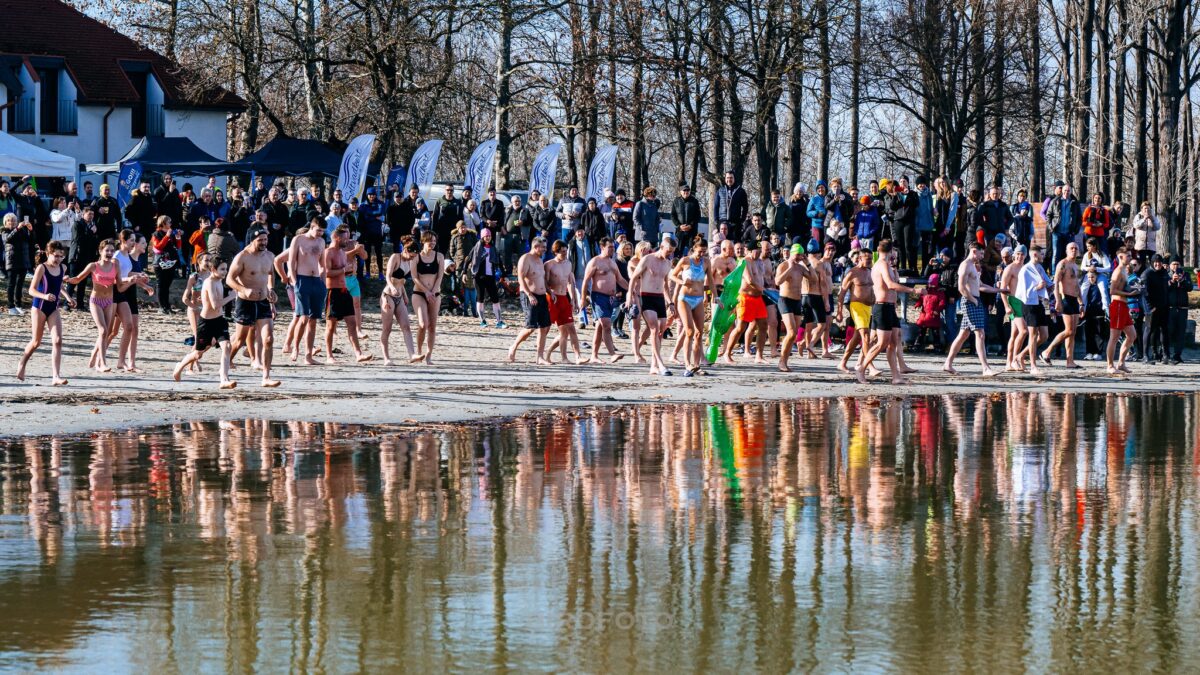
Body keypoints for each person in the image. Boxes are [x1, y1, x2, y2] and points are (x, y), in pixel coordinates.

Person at [855, 239, 921, 384]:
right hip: (882, 307)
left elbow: (893, 281)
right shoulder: (882, 265)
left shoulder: (886, 265)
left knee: (894, 341)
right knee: (882, 343)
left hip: (889, 307)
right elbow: (891, 285)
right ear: (891, 251)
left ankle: (896, 376)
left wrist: (895, 270)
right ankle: (861, 368)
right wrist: (913, 290)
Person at [226, 228, 281, 387]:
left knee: (269, 339)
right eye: (260, 240)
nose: (264, 243)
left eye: (265, 239)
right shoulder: (243, 256)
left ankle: (266, 377)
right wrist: (243, 290)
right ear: (252, 240)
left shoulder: (269, 256)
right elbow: (230, 279)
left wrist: (271, 290)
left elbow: (270, 274)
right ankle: (226, 362)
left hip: (263, 301)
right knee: (239, 340)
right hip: (245, 302)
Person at [172, 257, 238, 389]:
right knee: (197, 354)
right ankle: (180, 365)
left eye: (226, 269)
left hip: (219, 320)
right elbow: (215, 305)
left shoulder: (219, 281)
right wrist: (231, 297)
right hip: (206, 323)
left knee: (227, 347)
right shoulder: (209, 282)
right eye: (222, 269)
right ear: (213, 269)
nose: (225, 272)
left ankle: (224, 379)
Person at [16, 241, 73, 385]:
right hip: (39, 307)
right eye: (56, 256)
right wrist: (45, 296)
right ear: (48, 254)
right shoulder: (42, 268)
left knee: (58, 341)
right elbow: (31, 290)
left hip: (53, 308)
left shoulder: (63, 267)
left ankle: (56, 376)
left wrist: (68, 297)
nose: (59, 259)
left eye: (61, 256)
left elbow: (58, 284)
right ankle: (22, 363)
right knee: (36, 342)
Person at [942, 242, 998, 376]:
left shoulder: (973, 266)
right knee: (980, 334)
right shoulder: (965, 265)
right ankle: (985, 368)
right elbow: (961, 287)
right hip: (970, 301)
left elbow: (980, 285)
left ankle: (947, 364)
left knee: (963, 335)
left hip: (974, 300)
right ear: (974, 251)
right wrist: (973, 300)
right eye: (981, 253)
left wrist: (1000, 290)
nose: (982, 255)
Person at [65, 239, 119, 373]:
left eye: (112, 250)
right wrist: (66, 279)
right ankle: (102, 364)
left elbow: (120, 282)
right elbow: (77, 279)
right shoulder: (93, 266)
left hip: (109, 301)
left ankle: (94, 355)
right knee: (102, 331)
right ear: (100, 251)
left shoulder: (115, 264)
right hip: (96, 301)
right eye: (107, 250)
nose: (110, 253)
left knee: (106, 332)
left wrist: (136, 280)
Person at [322, 226, 372, 364]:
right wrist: (343, 270)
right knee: (331, 326)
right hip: (333, 291)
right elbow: (326, 273)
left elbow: (364, 256)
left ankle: (358, 353)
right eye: (344, 238)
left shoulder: (342, 253)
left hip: (345, 291)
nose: (347, 240)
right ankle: (329, 356)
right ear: (337, 238)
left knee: (352, 322)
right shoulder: (328, 252)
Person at [629, 235, 677, 375]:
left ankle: (654, 365)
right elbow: (633, 278)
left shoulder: (667, 264)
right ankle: (661, 364)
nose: (670, 254)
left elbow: (666, 285)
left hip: (660, 298)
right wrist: (629, 296)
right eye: (668, 251)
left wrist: (671, 303)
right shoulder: (647, 259)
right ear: (661, 247)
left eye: (672, 251)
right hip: (646, 297)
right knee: (654, 329)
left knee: (661, 331)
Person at [668, 238, 713, 375]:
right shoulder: (685, 261)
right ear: (694, 249)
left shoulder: (706, 262)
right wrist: (682, 282)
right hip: (685, 298)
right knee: (689, 331)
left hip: (698, 298)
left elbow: (710, 280)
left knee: (699, 333)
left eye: (704, 252)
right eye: (700, 251)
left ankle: (696, 365)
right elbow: (671, 275)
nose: (702, 254)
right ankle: (687, 364)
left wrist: (716, 297)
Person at [286, 218, 328, 364]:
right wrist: (294, 281)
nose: (320, 233)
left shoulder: (321, 242)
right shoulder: (298, 239)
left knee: (313, 320)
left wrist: (323, 282)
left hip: (316, 280)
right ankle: (296, 347)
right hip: (302, 279)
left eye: (322, 231)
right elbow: (291, 262)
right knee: (303, 318)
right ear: (312, 227)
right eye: (318, 230)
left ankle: (308, 355)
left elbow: (322, 264)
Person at [112, 230, 154, 373]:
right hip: (120, 294)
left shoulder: (134, 260)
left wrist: (144, 284)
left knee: (131, 329)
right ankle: (98, 356)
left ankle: (130, 362)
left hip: (130, 295)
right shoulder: (123, 257)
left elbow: (131, 276)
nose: (145, 245)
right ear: (133, 243)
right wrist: (138, 280)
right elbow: (122, 276)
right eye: (142, 243)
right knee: (112, 331)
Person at [581, 237, 629, 364]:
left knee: (599, 327)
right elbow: (586, 281)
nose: (612, 249)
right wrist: (583, 299)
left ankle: (594, 356)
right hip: (598, 297)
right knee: (607, 325)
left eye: (613, 247)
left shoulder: (612, 262)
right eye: (610, 247)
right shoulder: (595, 262)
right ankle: (612, 354)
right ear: (602, 247)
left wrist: (631, 289)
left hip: (611, 298)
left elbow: (620, 279)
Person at [507, 237, 553, 364]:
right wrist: (529, 294)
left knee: (545, 327)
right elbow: (520, 278)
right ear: (535, 247)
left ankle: (540, 357)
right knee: (530, 327)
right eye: (543, 247)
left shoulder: (540, 260)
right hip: (529, 295)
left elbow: (542, 279)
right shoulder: (525, 258)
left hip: (542, 295)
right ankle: (514, 346)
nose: (545, 249)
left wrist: (549, 292)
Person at [380, 236, 422, 365]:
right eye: (411, 255)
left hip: (399, 295)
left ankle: (412, 354)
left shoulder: (409, 262)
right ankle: (386, 357)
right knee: (387, 328)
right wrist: (392, 288)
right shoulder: (395, 257)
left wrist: (404, 294)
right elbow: (388, 276)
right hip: (388, 295)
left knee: (406, 326)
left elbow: (401, 280)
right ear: (405, 250)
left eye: (414, 256)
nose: (412, 258)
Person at [777, 243, 818, 372]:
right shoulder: (783, 265)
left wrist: (808, 264)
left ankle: (785, 361)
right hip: (785, 300)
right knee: (791, 332)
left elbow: (814, 279)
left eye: (801, 255)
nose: (799, 257)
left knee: (793, 334)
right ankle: (782, 361)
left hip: (797, 302)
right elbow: (777, 282)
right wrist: (789, 268)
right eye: (797, 254)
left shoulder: (801, 268)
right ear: (791, 253)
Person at [543, 240, 584, 363]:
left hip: (563, 298)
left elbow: (571, 283)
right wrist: (550, 292)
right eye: (562, 252)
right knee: (547, 329)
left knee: (569, 329)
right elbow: (544, 282)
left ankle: (576, 357)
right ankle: (544, 353)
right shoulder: (549, 264)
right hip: (552, 298)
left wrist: (574, 300)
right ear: (556, 252)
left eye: (566, 252)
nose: (564, 254)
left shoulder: (568, 264)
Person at [1012, 245, 1051, 375]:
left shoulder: (1039, 267)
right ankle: (1033, 366)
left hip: (1040, 303)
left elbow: (1048, 283)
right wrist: (1037, 287)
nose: (1043, 256)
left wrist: (1051, 288)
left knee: (1044, 335)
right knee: (1032, 334)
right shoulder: (1025, 270)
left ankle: (1021, 355)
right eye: (1042, 254)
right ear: (1035, 255)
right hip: (1029, 304)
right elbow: (1023, 293)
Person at [410, 231, 444, 363]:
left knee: (432, 326)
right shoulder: (416, 257)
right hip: (419, 293)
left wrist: (434, 291)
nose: (433, 244)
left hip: (435, 293)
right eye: (430, 241)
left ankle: (429, 354)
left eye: (434, 241)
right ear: (423, 241)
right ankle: (419, 352)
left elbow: (440, 275)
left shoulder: (439, 256)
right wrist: (426, 291)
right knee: (423, 324)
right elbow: (414, 277)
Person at [1106, 247, 1138, 374]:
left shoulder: (1125, 270)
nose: (1130, 258)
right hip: (1117, 305)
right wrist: (1129, 294)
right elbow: (1112, 291)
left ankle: (1121, 363)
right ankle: (1109, 365)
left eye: (1130, 256)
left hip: (1124, 306)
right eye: (1128, 256)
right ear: (1120, 257)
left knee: (1132, 335)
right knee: (1114, 337)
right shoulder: (1118, 271)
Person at [469, 227, 505, 327]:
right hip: (479, 277)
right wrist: (463, 272)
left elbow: (499, 261)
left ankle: (499, 321)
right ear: (482, 237)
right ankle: (482, 321)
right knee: (480, 299)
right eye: (486, 236)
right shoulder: (477, 247)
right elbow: (469, 258)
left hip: (491, 276)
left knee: (495, 298)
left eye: (489, 236)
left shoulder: (493, 248)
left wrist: (503, 273)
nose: (488, 237)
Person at [150, 216, 182, 314]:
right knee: (161, 285)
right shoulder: (156, 234)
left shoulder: (170, 233)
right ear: (163, 223)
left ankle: (167, 306)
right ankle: (161, 306)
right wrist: (167, 236)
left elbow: (178, 246)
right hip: (160, 263)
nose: (170, 224)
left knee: (167, 286)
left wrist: (178, 238)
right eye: (169, 222)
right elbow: (158, 246)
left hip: (171, 262)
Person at [1045, 184, 1082, 269]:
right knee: (1056, 254)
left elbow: (1079, 218)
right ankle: (1054, 274)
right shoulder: (1055, 201)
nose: (1066, 192)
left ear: (1071, 192)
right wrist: (1051, 228)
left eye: (1068, 191)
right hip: (1057, 232)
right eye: (1065, 190)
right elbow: (1048, 215)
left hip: (1069, 233)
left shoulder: (1075, 203)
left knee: (1069, 255)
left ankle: (1068, 273)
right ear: (1062, 191)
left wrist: (1075, 231)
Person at [1141, 254, 1170, 364]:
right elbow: (1144, 292)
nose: (1158, 264)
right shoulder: (1147, 274)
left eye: (1159, 262)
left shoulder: (1164, 273)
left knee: (1164, 330)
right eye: (1155, 262)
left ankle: (1166, 355)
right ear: (1152, 263)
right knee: (1149, 330)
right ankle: (1145, 356)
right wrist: (1150, 307)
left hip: (1164, 306)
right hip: (1152, 308)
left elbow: (1167, 289)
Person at [3, 213, 33, 314]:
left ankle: (18, 305)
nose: (12, 222)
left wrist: (30, 230)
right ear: (5, 222)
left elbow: (30, 240)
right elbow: (8, 239)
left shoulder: (21, 231)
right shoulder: (4, 231)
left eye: (14, 221)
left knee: (20, 284)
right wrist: (17, 229)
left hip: (23, 261)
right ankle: (11, 306)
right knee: (11, 284)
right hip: (11, 261)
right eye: (9, 221)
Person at [1166, 257, 1192, 363]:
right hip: (1170, 308)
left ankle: (1177, 354)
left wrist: (1182, 280)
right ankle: (1166, 354)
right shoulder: (1166, 274)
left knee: (1181, 332)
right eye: (1173, 264)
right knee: (1169, 331)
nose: (1175, 266)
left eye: (1177, 264)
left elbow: (1190, 287)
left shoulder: (1186, 275)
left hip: (1182, 308)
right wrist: (1172, 280)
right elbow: (1165, 288)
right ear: (1170, 265)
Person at [710, 171, 748, 241]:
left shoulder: (741, 191)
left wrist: (742, 219)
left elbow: (745, 207)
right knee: (722, 243)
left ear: (734, 178)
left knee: (735, 243)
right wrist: (716, 221)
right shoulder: (720, 190)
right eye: (727, 178)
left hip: (735, 222)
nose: (729, 180)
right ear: (725, 179)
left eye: (731, 178)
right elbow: (716, 206)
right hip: (722, 221)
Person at [671, 183, 701, 254]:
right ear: (680, 192)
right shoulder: (676, 201)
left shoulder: (694, 201)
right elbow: (673, 215)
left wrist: (691, 225)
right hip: (680, 231)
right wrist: (679, 226)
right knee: (678, 252)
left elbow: (698, 216)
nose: (686, 192)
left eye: (688, 190)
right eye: (684, 190)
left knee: (692, 251)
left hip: (692, 231)